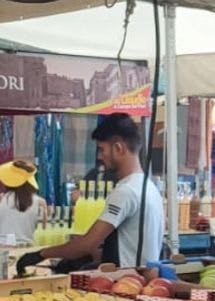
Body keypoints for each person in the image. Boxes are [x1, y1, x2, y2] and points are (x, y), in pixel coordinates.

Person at [16, 113, 164, 272]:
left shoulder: (126, 192)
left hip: (127, 280)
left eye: (102, 149)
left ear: (118, 148)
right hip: (142, 278)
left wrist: (41, 254)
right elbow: (127, 244)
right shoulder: (148, 187)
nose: (100, 157)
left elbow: (87, 244)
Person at [0, 160, 46, 244]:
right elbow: (44, 227)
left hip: (2, 246)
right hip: (27, 246)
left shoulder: (1, 198)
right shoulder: (40, 202)